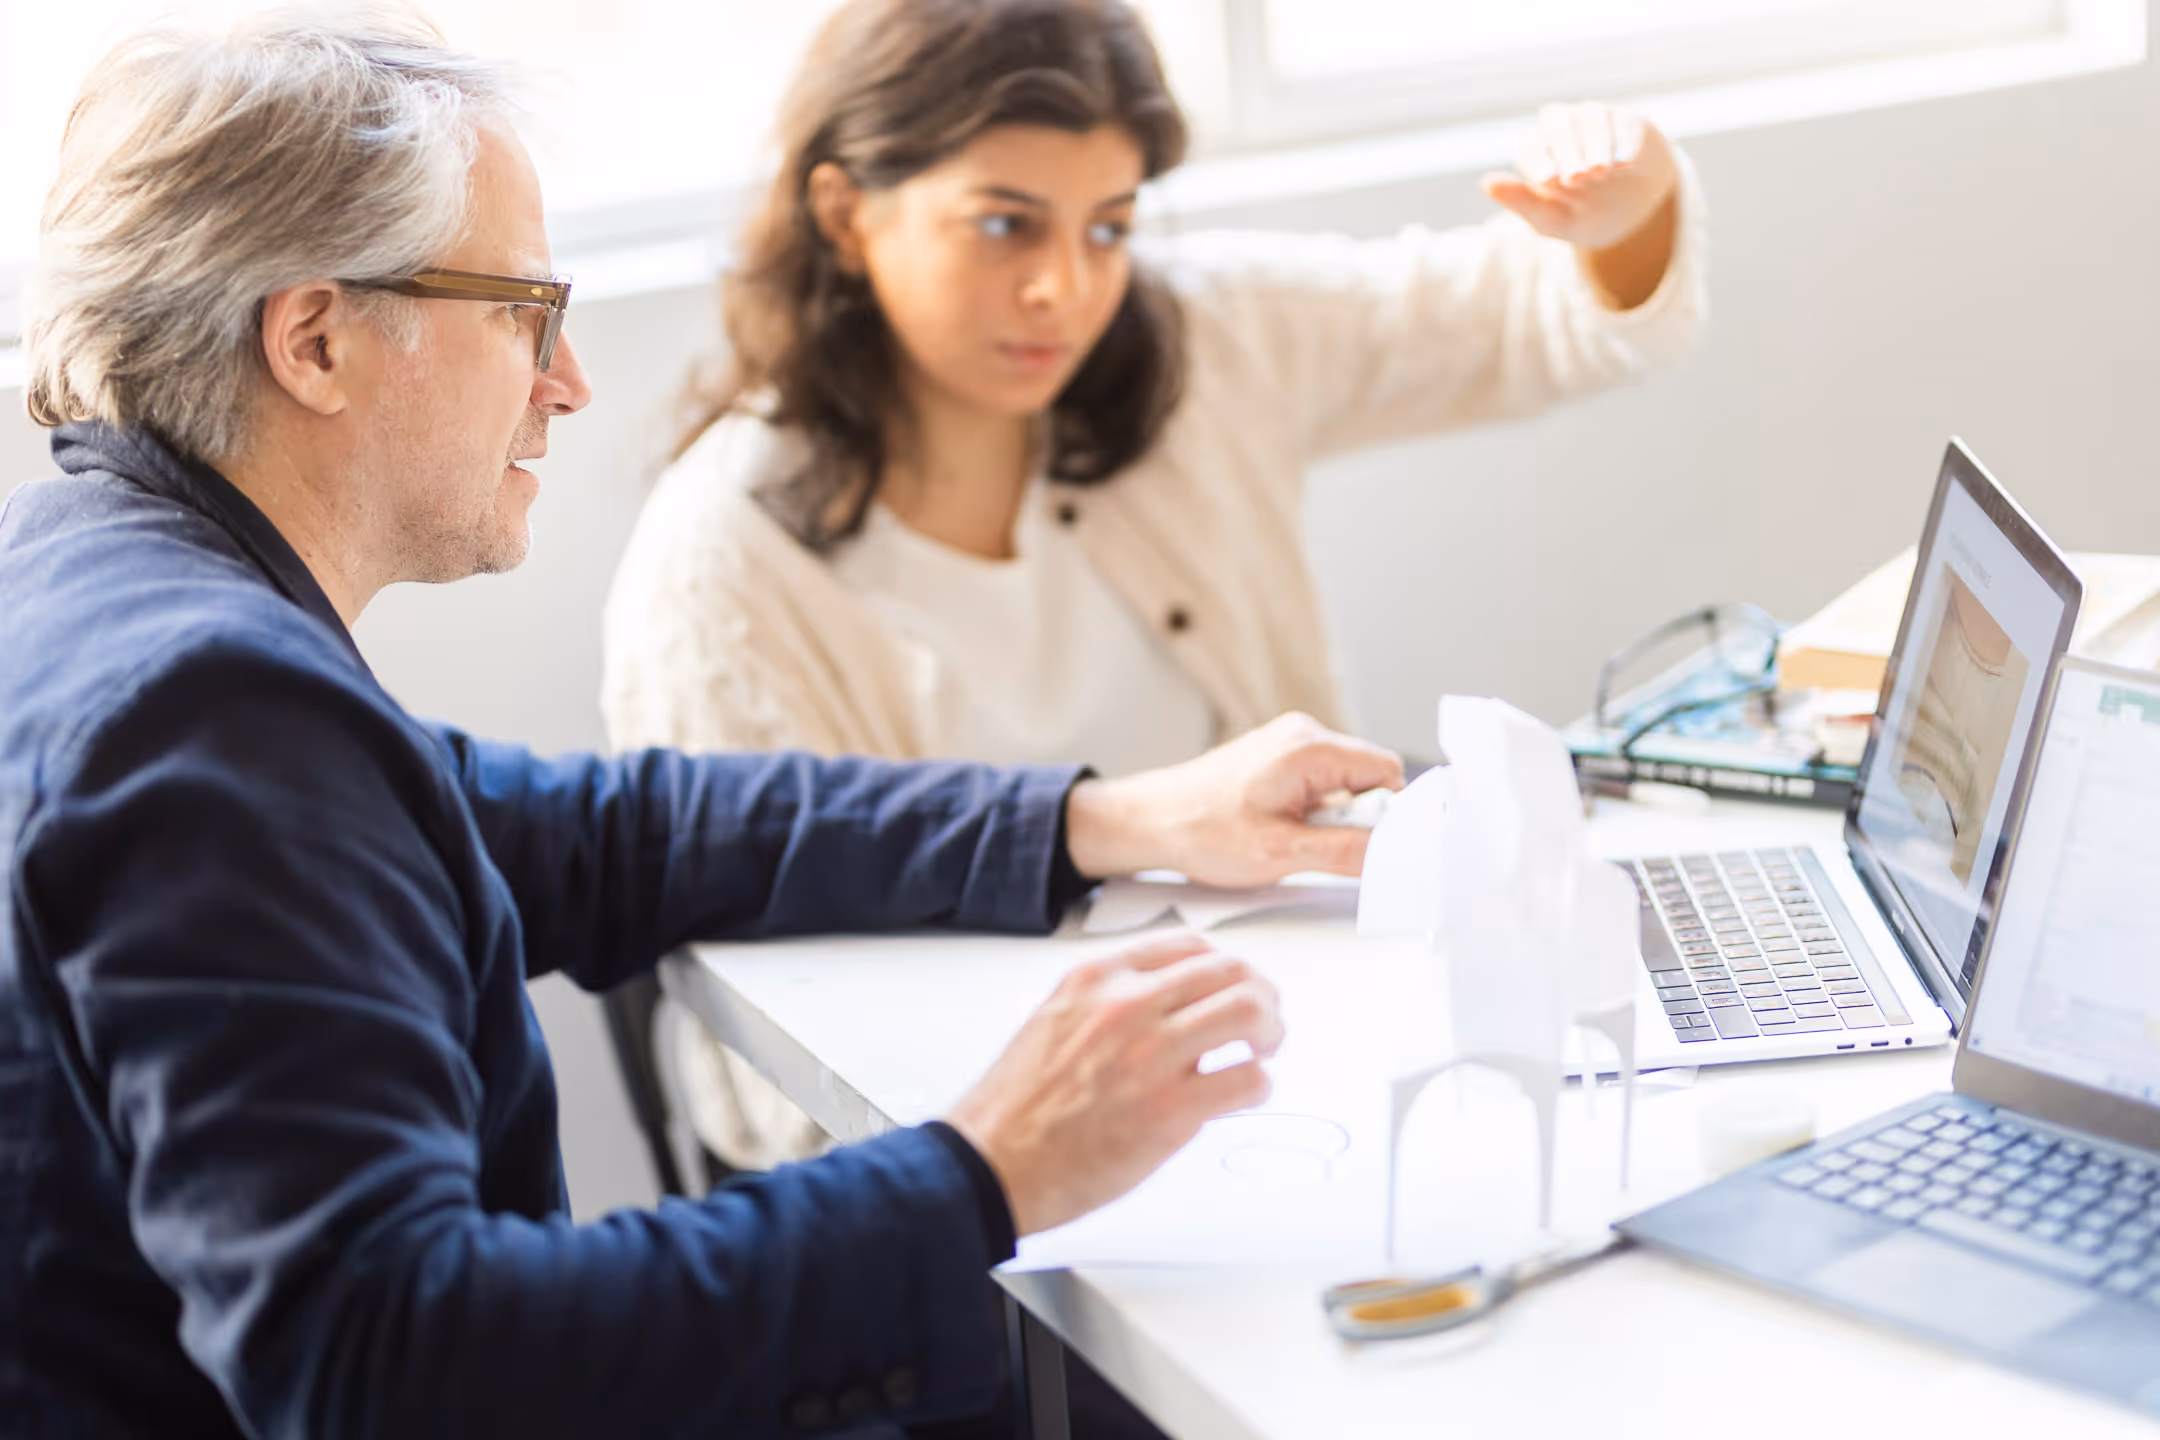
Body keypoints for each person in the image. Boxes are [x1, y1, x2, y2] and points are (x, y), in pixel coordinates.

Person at [0, 13, 1404, 1436]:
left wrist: (1108, 820)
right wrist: (991, 1166)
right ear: (313, 340)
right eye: (520, 316)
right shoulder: (208, 723)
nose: (568, 380)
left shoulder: (105, 586)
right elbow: (398, 1364)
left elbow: (600, 835)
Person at [601, 0, 1709, 1172]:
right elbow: (800, 1065)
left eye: (1108, 229)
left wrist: (1626, 216)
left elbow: (1515, 318)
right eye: (1003, 226)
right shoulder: (721, 568)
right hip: (963, 1172)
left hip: (1285, 1071)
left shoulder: (1198, 343)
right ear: (845, 213)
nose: (1065, 292)